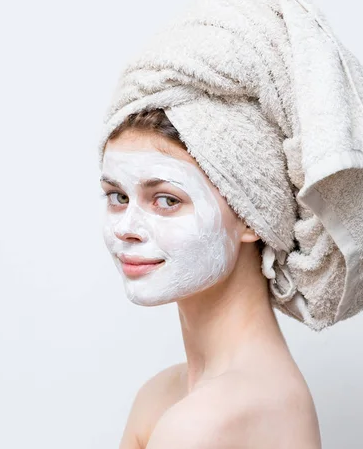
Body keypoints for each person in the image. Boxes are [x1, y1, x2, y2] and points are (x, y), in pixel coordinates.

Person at [100, 109, 323, 449]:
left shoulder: (207, 421)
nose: (125, 228)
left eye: (166, 200)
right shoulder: (164, 395)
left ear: (251, 217)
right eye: (118, 197)